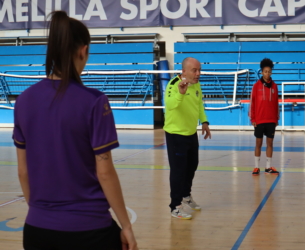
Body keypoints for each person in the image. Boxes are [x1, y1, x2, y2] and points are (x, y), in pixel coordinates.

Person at [13, 11, 137, 250]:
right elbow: (105, 173)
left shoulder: (24, 101)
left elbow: (23, 171)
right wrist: (126, 227)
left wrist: (41, 214)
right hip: (89, 231)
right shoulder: (94, 102)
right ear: (83, 50)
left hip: (37, 231)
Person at [163, 57, 211, 220]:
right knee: (178, 171)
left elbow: (199, 104)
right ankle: (175, 206)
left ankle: (185, 195)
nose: (198, 74)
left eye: (199, 70)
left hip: (191, 133)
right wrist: (181, 94)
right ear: (183, 71)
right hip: (176, 135)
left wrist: (204, 121)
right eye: (194, 70)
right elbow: (170, 105)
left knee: (192, 166)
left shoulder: (197, 85)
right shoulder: (173, 85)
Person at [249, 58, 280, 175]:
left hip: (271, 120)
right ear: (262, 72)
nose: (267, 73)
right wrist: (253, 119)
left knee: (270, 143)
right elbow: (252, 103)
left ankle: (268, 167)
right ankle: (256, 167)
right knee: (258, 143)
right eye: (265, 71)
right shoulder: (256, 86)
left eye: (269, 71)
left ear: (271, 72)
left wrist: (277, 118)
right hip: (259, 120)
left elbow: (276, 103)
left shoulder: (275, 86)